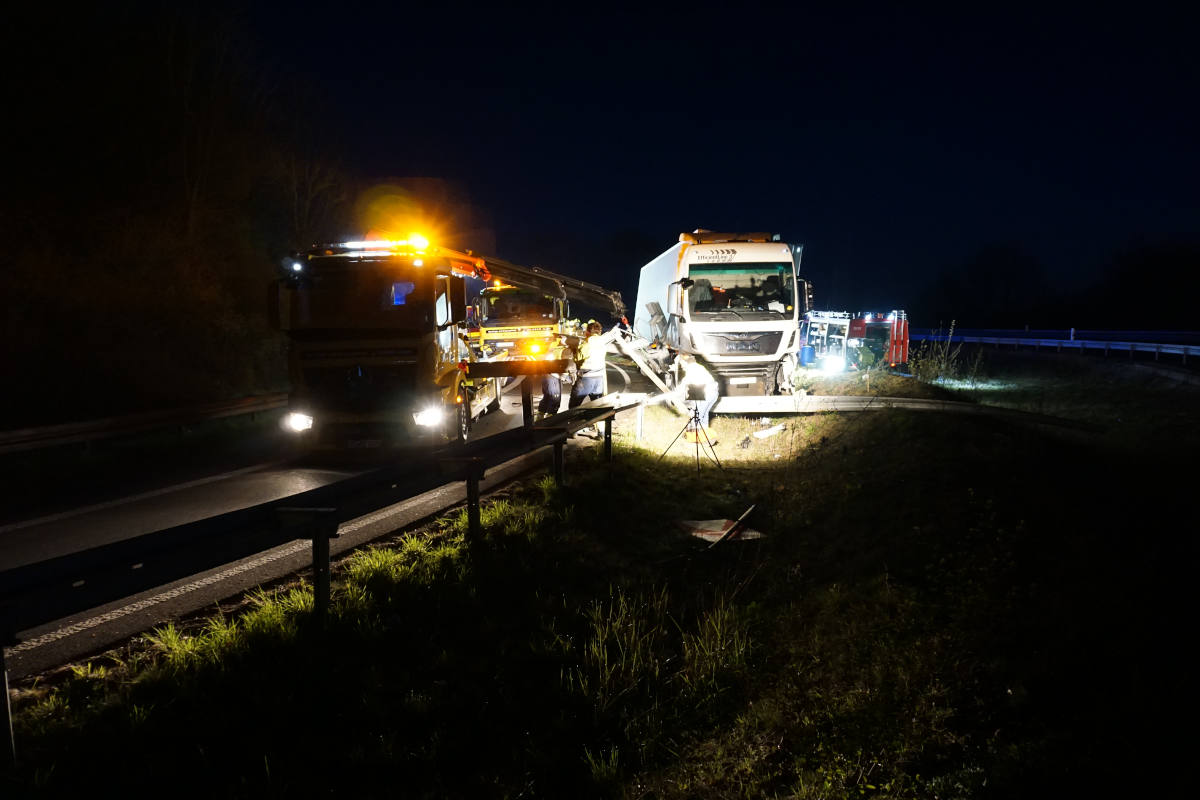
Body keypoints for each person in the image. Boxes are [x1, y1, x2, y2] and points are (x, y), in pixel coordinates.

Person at [675, 352, 719, 444]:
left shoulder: (692, 369)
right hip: (713, 392)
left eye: (682, 363)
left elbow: (685, 383)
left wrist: (676, 392)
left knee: (697, 416)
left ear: (686, 362)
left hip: (707, 393)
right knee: (703, 415)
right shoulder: (697, 367)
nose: (681, 365)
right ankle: (702, 436)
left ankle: (704, 439)